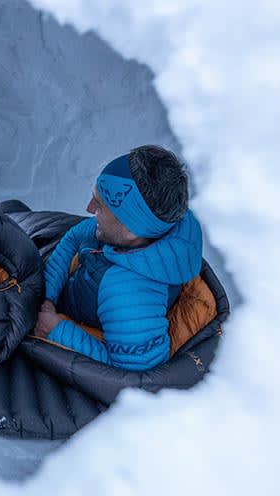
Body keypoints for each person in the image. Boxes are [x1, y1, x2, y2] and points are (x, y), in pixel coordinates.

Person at [33, 145, 202, 371]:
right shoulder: (144, 228)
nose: (88, 208)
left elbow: (130, 370)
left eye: (99, 206)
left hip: (82, 316)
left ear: (131, 230)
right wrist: (48, 296)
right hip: (76, 289)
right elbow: (74, 235)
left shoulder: (128, 295)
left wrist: (55, 328)